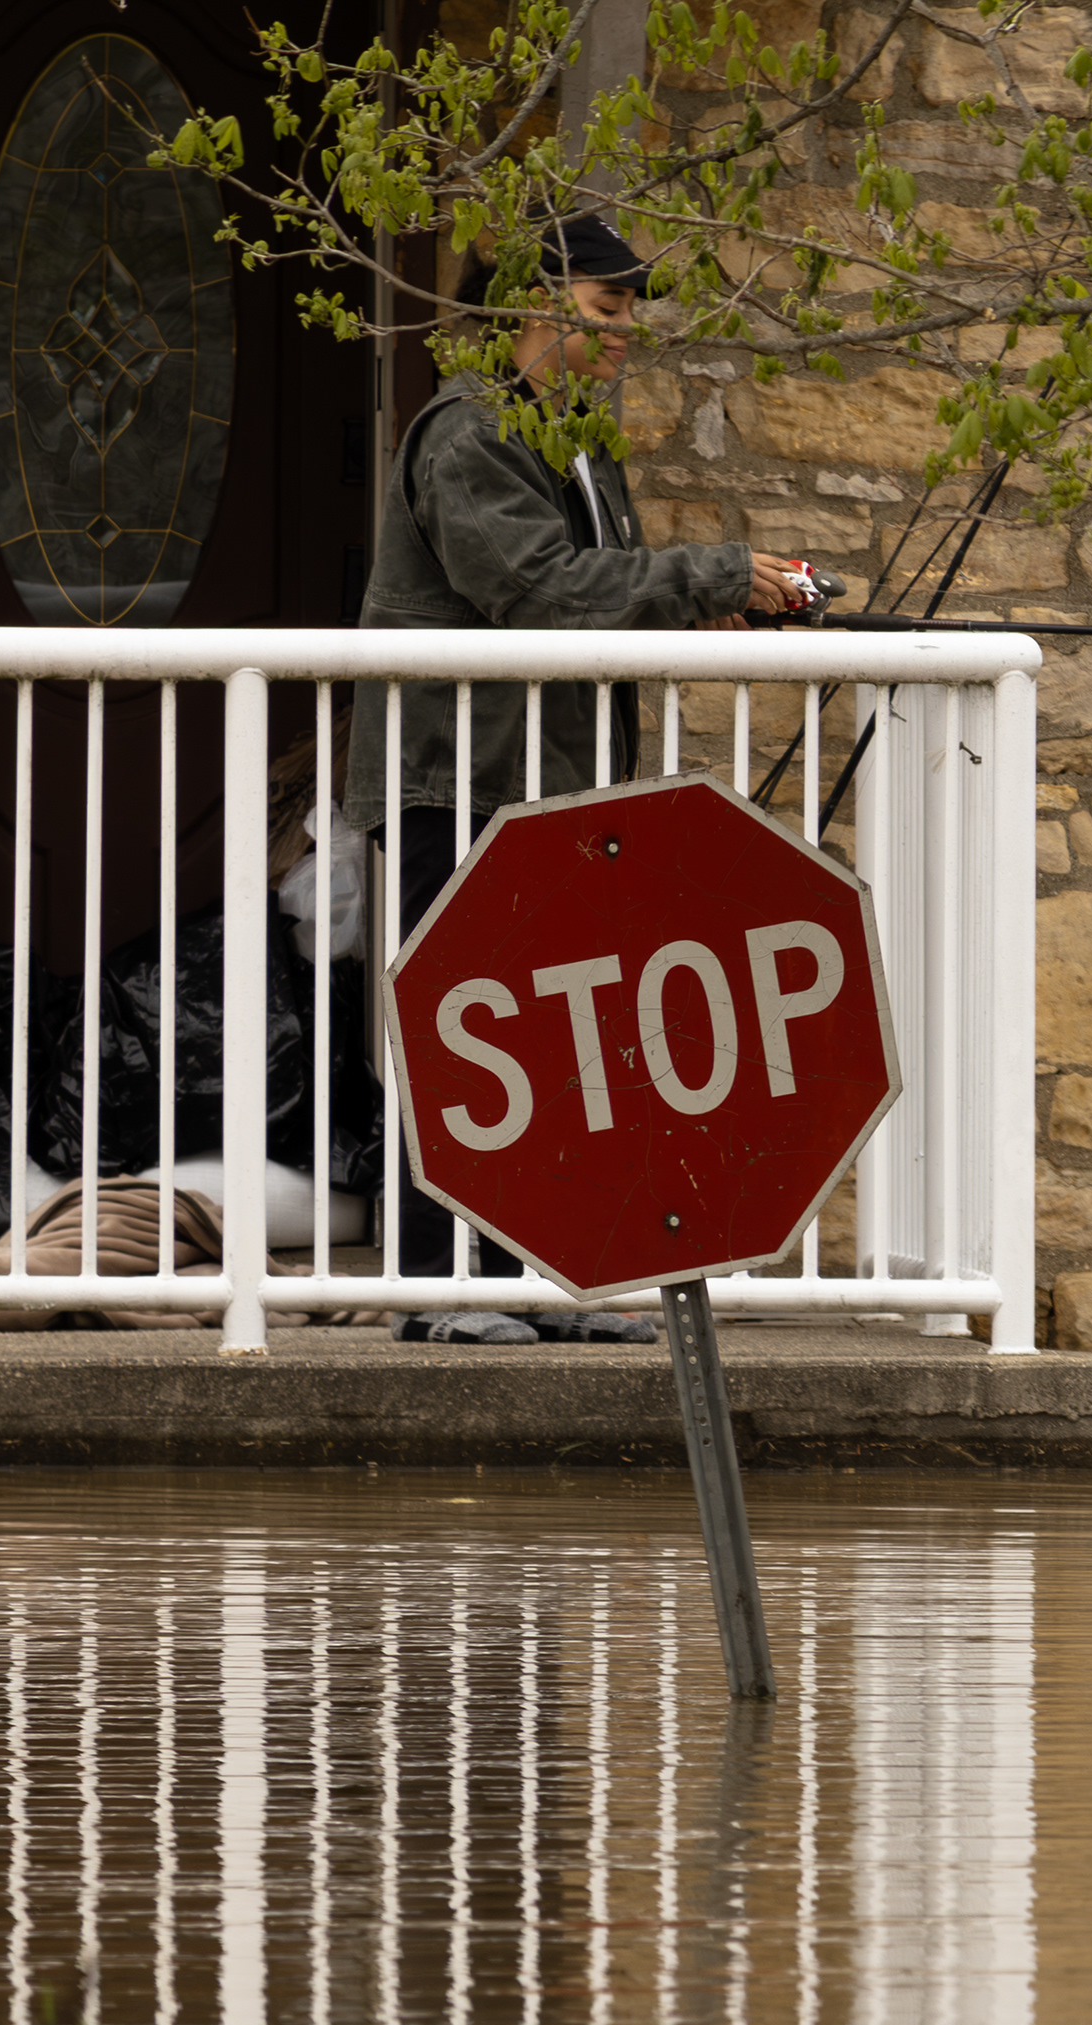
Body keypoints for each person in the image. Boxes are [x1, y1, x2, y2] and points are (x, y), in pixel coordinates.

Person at [345, 212, 827, 1343]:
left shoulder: (570, 441)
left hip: (546, 788)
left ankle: (542, 1277)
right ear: (529, 305)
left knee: (556, 1044)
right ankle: (442, 1289)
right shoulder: (469, 435)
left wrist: (709, 609)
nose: (623, 335)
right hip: (453, 781)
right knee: (464, 1035)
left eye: (625, 315)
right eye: (606, 310)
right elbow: (540, 588)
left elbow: (598, 591)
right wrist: (714, 569)